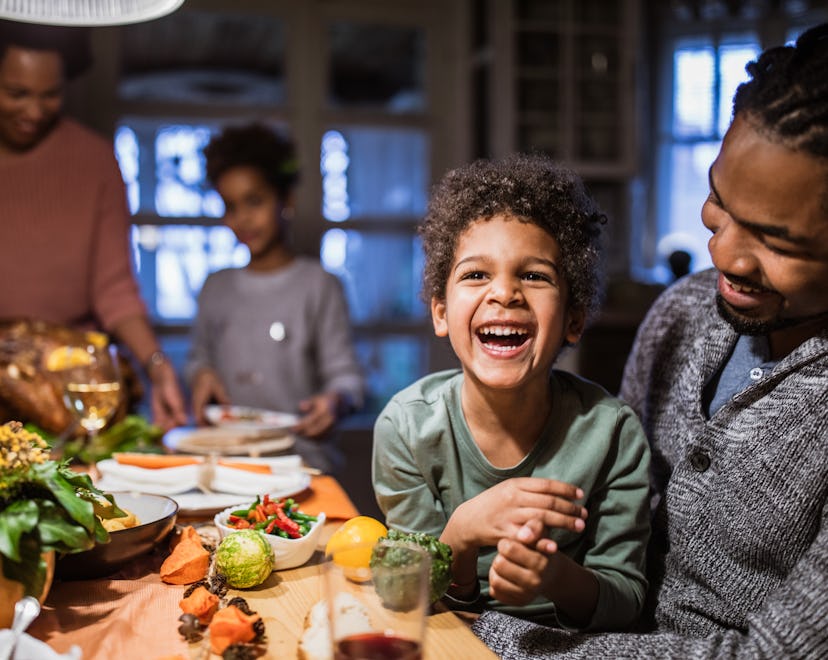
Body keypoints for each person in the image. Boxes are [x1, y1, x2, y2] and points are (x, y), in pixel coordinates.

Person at [472, 23, 828, 658]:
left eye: (776, 241)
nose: (724, 253)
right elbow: (615, 516)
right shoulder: (685, 313)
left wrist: (513, 640)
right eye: (719, 200)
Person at [372, 153, 651, 629]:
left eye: (534, 275)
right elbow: (407, 596)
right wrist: (459, 537)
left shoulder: (613, 434)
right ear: (441, 312)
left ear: (573, 319)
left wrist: (555, 577)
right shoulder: (406, 427)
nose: (505, 293)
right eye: (476, 274)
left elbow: (626, 600)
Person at [0, 20, 187, 430]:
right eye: (17, 93)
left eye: (50, 95)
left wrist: (157, 367)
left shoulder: (94, 160)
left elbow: (114, 288)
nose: (34, 111)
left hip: (74, 390)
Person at [185, 123, 365, 472]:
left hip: (300, 462)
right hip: (226, 462)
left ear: (287, 200)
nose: (242, 218)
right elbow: (198, 357)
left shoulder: (319, 285)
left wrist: (334, 401)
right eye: (230, 206)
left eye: (255, 201)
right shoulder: (215, 287)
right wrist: (201, 374)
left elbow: (348, 378)